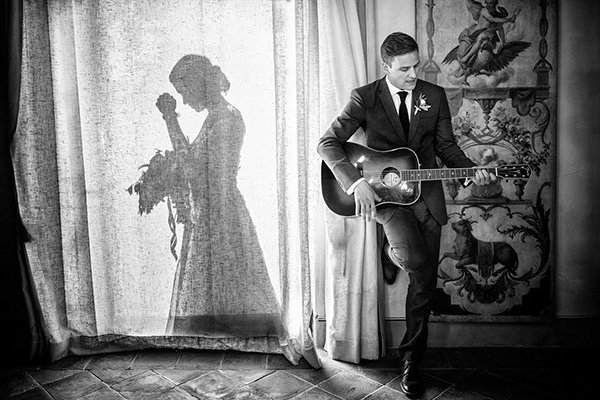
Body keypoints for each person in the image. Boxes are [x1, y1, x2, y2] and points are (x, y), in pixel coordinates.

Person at [317, 32, 495, 398]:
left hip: (426, 196)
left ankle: (412, 360)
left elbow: (446, 146)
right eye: (405, 69)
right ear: (387, 67)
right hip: (385, 200)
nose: (414, 74)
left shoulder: (435, 96)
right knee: (415, 260)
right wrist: (355, 184)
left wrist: (470, 170)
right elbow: (327, 143)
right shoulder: (365, 97)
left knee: (425, 282)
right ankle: (393, 251)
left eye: (415, 66)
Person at [155, 55, 283, 338]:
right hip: (207, 213)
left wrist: (170, 120)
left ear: (199, 83)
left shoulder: (227, 118)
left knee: (228, 289)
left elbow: (194, 169)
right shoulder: (215, 117)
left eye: (185, 91)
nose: (184, 100)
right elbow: (193, 165)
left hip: (221, 215)